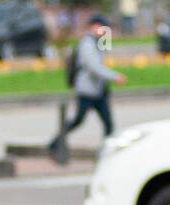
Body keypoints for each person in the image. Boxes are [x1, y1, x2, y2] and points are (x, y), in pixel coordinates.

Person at [48, 15, 127, 156]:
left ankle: (107, 150)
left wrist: (104, 41)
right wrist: (115, 76)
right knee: (78, 120)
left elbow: (104, 55)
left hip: (98, 91)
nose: (105, 32)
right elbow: (94, 67)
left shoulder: (97, 42)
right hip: (87, 90)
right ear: (95, 26)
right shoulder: (87, 44)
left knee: (108, 122)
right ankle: (54, 143)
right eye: (103, 28)